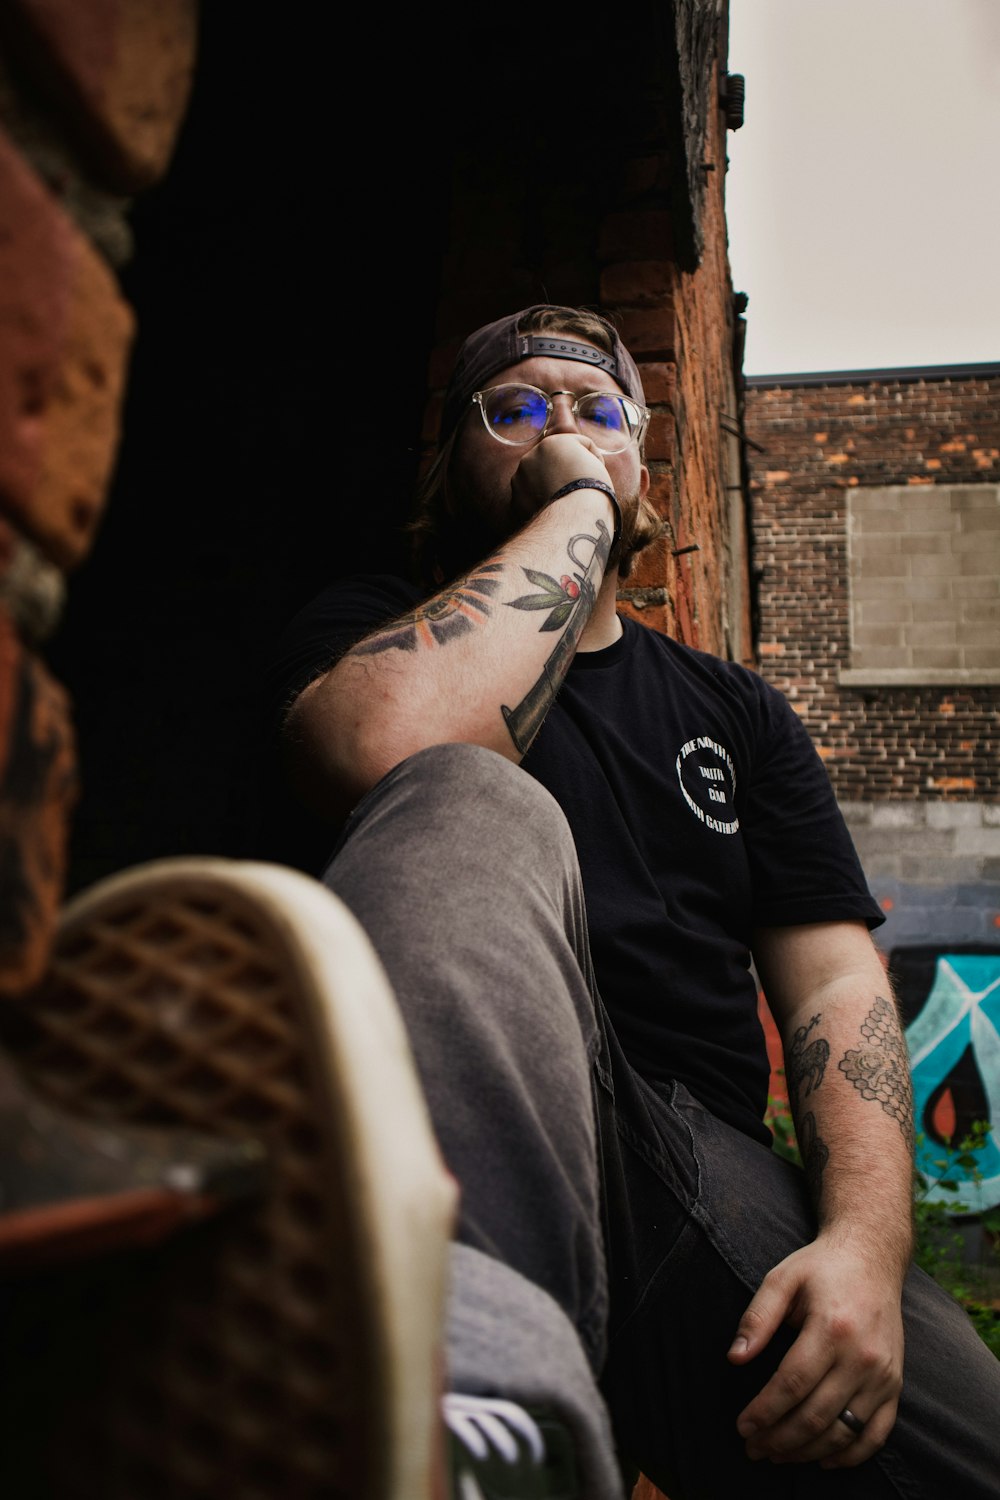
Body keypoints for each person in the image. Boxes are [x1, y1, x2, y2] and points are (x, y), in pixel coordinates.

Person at [263, 304, 1000, 1499]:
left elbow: (837, 989)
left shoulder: (738, 713)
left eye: (596, 413)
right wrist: (579, 503)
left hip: (699, 1165)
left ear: (645, 459)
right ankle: (461, 1401)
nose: (559, 429)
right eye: (515, 409)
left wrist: (865, 1242)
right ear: (451, 458)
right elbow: (385, 743)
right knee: (465, 788)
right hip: (441, 1122)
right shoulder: (367, 630)